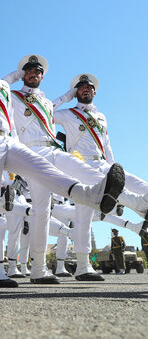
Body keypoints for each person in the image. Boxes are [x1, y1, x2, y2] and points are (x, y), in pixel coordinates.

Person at [0, 34, 126, 287]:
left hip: (8, 140)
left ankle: (88, 194)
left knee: (41, 167)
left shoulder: (0, 82)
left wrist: (26, 73)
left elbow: (16, 77)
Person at [54, 73, 148, 280]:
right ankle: (83, 266)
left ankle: (142, 207)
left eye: (89, 87)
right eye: (80, 87)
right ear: (76, 92)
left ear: (95, 92)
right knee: (83, 218)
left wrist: (116, 168)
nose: (85, 89)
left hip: (105, 164)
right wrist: (66, 97)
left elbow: (107, 144)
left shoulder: (101, 116)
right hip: (81, 165)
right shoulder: (68, 113)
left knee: (143, 186)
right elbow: (42, 113)